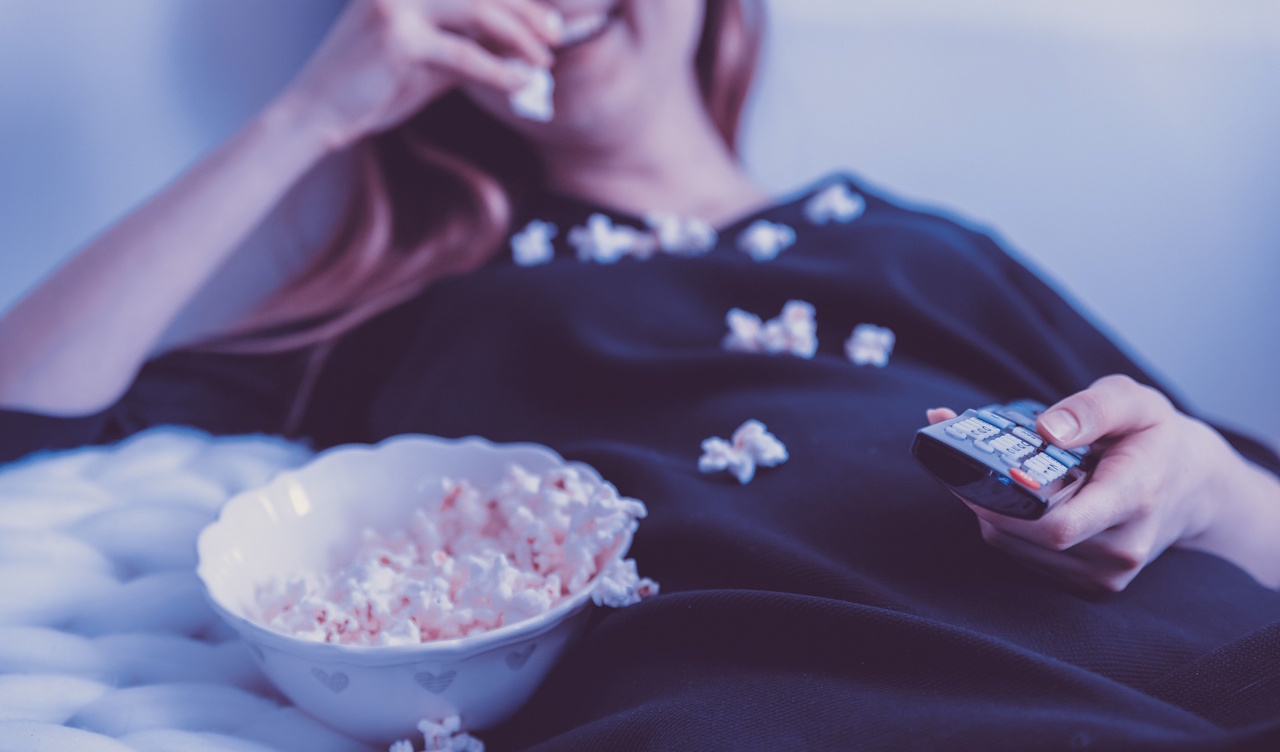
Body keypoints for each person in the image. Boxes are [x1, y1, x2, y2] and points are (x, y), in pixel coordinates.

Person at [2, 0, 1279, 748]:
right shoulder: (424, 307)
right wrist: (316, 110)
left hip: (1202, 667)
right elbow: (25, 417)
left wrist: (1206, 487)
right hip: (781, 709)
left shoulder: (917, 245)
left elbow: (1250, 510)